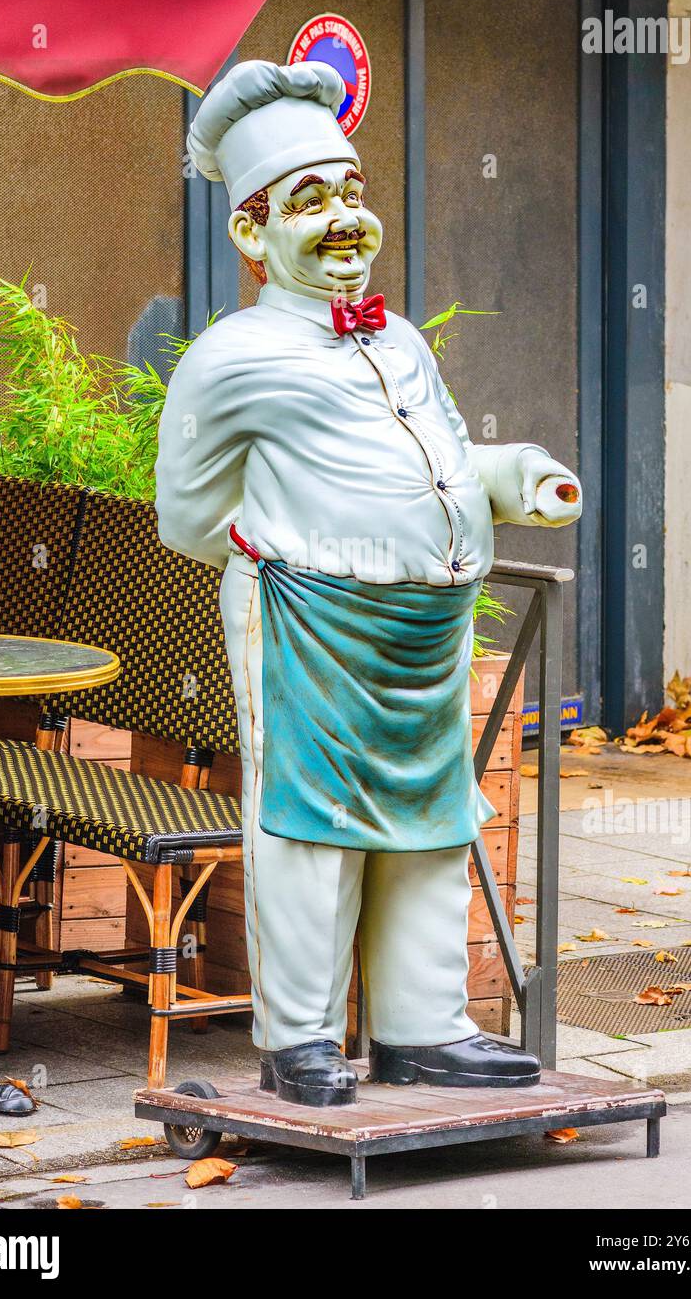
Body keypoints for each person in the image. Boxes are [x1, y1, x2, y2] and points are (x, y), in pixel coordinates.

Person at [156, 59, 582, 1106]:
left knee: (434, 823)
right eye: (311, 202)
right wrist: (293, 556)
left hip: (423, 631)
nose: (344, 219)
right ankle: (298, 1039)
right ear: (251, 234)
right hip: (311, 620)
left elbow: (433, 463)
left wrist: (513, 477)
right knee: (309, 831)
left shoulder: (395, 341)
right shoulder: (231, 355)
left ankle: (421, 1028)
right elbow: (188, 512)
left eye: (350, 194)